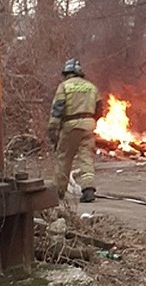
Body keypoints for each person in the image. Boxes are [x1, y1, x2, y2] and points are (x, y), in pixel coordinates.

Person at [48, 58, 103, 203]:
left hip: (70, 126)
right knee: (86, 158)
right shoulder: (91, 87)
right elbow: (99, 110)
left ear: (67, 73)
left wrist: (53, 129)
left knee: (64, 158)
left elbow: (58, 110)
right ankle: (88, 189)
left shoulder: (64, 87)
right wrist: (90, 121)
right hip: (88, 126)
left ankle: (58, 192)